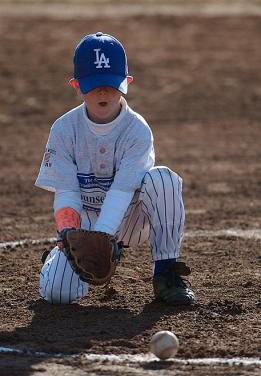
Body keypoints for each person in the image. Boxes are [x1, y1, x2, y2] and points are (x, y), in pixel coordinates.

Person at [35, 32, 195, 306]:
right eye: (93, 84)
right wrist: (67, 233)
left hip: (129, 219)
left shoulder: (136, 130)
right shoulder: (64, 129)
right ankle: (57, 257)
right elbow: (67, 191)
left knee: (163, 180)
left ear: (126, 83)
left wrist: (104, 235)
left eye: (110, 83)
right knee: (57, 294)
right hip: (84, 223)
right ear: (76, 85)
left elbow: (122, 190)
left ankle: (165, 272)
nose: (102, 91)